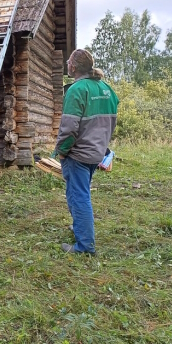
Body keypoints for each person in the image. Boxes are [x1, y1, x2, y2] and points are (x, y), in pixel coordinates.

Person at [54, 49, 119, 254]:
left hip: (78, 154)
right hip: (96, 152)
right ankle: (80, 228)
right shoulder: (106, 89)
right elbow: (111, 122)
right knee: (79, 192)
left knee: (79, 196)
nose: (67, 63)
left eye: (68, 61)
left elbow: (69, 128)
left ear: (73, 67)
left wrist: (62, 151)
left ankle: (84, 246)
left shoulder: (76, 90)